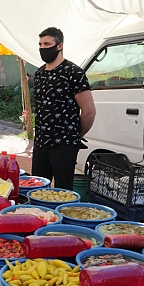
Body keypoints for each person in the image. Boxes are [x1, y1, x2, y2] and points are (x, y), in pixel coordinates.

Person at [31, 27, 96, 190]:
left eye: (47, 44)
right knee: (37, 189)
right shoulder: (39, 74)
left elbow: (89, 111)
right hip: (40, 144)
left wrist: (75, 136)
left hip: (64, 146)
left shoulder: (74, 73)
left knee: (63, 192)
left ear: (59, 45)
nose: (43, 48)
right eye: (40, 44)